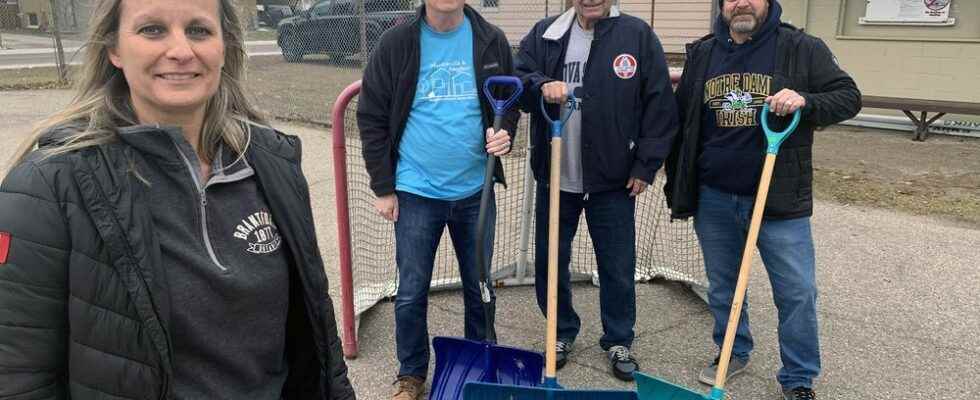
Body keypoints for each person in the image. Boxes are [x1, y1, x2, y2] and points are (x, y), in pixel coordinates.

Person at [0, 0, 356, 398]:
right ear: (113, 49)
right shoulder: (48, 186)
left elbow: (318, 328)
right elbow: (18, 376)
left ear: (225, 47)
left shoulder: (274, 162)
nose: (181, 51)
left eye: (199, 30)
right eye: (152, 30)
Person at [665, 0, 861, 398]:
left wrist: (806, 101)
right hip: (715, 196)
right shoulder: (703, 53)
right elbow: (683, 118)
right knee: (723, 287)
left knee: (797, 292)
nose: (742, 2)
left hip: (778, 199)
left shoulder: (800, 47)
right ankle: (733, 351)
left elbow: (848, 97)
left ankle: (798, 377)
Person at [356, 0, 519, 398]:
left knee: (479, 285)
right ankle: (411, 374)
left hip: (474, 191)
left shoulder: (490, 40)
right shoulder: (397, 42)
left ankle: (481, 363)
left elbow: (508, 102)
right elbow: (371, 115)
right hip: (416, 191)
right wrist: (383, 186)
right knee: (411, 290)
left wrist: (505, 132)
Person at [515, 0, 678, 382]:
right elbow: (519, 79)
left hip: (614, 177)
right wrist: (541, 84)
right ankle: (560, 331)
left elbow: (659, 104)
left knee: (617, 264)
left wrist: (645, 165)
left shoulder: (636, 35)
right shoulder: (546, 33)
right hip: (557, 174)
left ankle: (619, 339)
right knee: (551, 259)